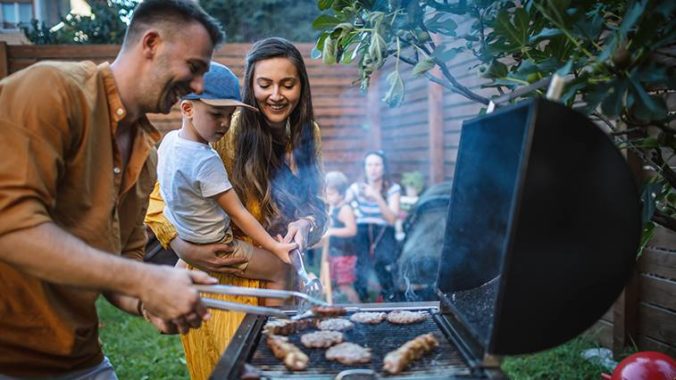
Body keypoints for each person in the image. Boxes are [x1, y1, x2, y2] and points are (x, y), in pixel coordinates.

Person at [0, 0, 224, 377]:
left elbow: (124, 261)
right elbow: (11, 226)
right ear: (151, 43)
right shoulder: (51, 90)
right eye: (195, 67)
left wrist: (147, 301)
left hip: (79, 356)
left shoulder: (146, 154)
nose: (199, 86)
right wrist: (145, 281)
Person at [145, 37, 327, 379]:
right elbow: (159, 205)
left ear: (301, 87)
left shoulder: (308, 134)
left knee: (280, 367)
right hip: (223, 288)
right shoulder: (221, 127)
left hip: (282, 281)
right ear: (249, 87)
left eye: (287, 84)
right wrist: (188, 248)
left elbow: (320, 208)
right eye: (265, 84)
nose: (276, 94)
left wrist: (307, 225)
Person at [157, 61, 296, 300]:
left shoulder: (169, 141)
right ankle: (272, 330)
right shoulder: (206, 160)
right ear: (187, 109)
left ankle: (164, 300)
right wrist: (274, 247)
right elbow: (238, 213)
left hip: (186, 231)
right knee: (280, 269)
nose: (224, 123)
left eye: (230, 115)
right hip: (217, 244)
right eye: (216, 114)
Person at [346, 151, 401, 302]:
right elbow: (342, 202)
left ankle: (390, 299)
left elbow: (391, 219)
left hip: (384, 230)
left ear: (384, 168)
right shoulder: (357, 187)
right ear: (364, 168)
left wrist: (377, 197)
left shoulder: (392, 189)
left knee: (383, 263)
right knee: (362, 264)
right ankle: (362, 300)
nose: (373, 168)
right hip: (362, 229)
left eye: (377, 164)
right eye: (369, 165)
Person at [324, 171, 360, 303]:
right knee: (333, 284)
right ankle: (335, 309)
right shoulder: (333, 207)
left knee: (345, 286)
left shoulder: (345, 209)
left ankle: (359, 309)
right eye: (326, 193)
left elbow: (352, 230)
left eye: (331, 194)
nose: (327, 197)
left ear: (341, 193)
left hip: (345, 255)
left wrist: (332, 231)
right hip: (335, 253)